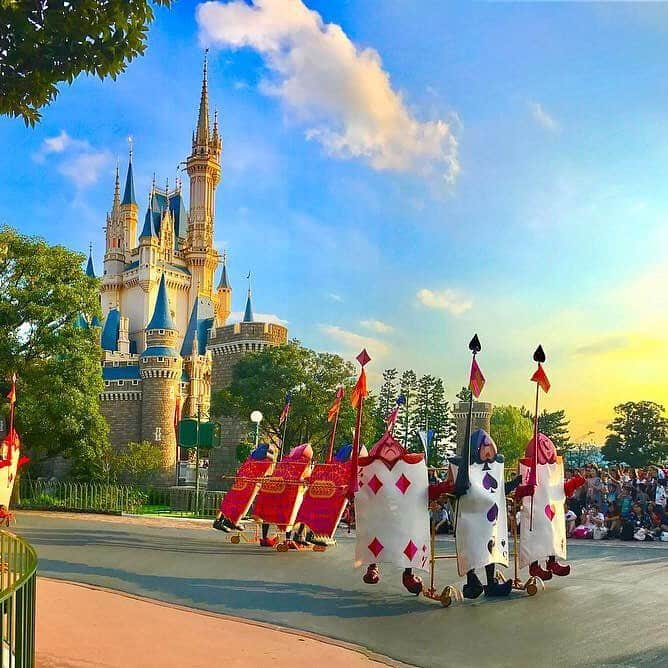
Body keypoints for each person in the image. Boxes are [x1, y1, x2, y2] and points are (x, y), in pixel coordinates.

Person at [451, 429, 522, 598]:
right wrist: (458, 488)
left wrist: (515, 483)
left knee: (490, 549)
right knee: (472, 548)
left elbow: (498, 489)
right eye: (485, 446)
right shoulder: (461, 467)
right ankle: (472, 581)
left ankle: (491, 583)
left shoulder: (494, 468)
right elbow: (454, 490)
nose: (488, 449)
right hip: (470, 517)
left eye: (490, 445)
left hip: (490, 519)